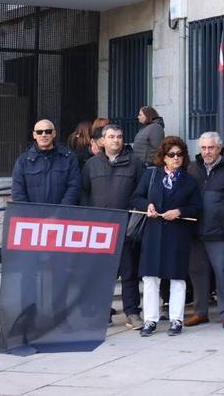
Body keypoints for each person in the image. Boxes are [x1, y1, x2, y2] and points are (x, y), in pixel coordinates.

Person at [132, 136, 202, 337]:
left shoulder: (189, 181)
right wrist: (148, 206)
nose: (176, 158)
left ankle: (176, 319)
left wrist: (179, 211)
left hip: (177, 233)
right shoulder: (151, 175)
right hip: (153, 232)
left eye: (180, 154)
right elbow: (136, 197)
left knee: (177, 277)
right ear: (163, 157)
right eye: (171, 155)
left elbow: (197, 207)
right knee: (150, 277)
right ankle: (150, 320)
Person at [80, 124, 146, 329]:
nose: (115, 140)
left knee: (129, 272)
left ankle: (132, 313)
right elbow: (83, 194)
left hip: (126, 226)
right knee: (101, 273)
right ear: (102, 141)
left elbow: (142, 193)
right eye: (111, 137)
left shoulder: (135, 164)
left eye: (119, 136)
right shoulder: (91, 165)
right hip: (100, 229)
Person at [186, 132, 224, 330]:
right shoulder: (193, 168)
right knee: (197, 273)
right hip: (196, 232)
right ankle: (200, 312)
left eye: (210, 148)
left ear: (219, 148)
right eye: (203, 148)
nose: (206, 152)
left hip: (221, 232)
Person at [11, 120, 81, 205]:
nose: (44, 135)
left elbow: (74, 187)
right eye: (39, 132)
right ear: (34, 135)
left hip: (61, 215)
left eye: (48, 131)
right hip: (33, 216)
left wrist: (61, 211)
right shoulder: (23, 161)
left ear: (54, 134)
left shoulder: (69, 158)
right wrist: (30, 214)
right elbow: (18, 193)